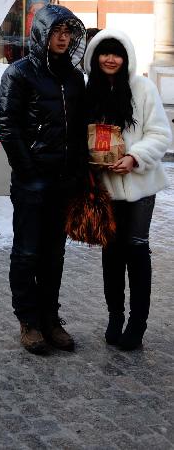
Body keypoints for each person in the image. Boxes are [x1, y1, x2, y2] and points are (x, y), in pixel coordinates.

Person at [0, 4, 87, 355]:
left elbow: (78, 128)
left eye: (68, 33)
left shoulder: (74, 76)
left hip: (65, 180)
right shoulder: (19, 73)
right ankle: (29, 320)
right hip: (33, 181)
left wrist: (79, 171)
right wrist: (28, 171)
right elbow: (7, 125)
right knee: (27, 252)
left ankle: (50, 318)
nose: (63, 38)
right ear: (42, 34)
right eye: (56, 32)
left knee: (54, 253)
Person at [84, 29, 171, 350]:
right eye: (104, 52)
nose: (110, 59)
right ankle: (115, 316)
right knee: (111, 251)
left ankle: (137, 322)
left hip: (139, 185)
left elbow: (161, 134)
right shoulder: (89, 91)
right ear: (95, 56)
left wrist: (135, 157)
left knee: (136, 248)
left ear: (127, 57)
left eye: (116, 53)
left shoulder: (143, 88)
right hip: (105, 185)